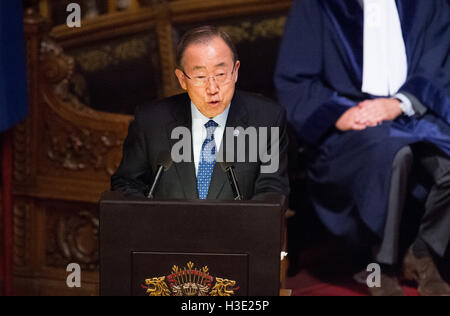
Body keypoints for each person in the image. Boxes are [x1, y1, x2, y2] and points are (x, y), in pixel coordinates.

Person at [275, 0, 449, 296]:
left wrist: (400, 103)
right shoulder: (319, 6)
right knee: (392, 153)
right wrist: (336, 113)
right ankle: (376, 265)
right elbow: (296, 77)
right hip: (353, 120)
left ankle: (421, 252)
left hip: (413, 111)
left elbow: (439, 61)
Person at [112, 26, 289, 201]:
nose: (212, 88)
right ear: (182, 79)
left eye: (220, 74)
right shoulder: (151, 122)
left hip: (237, 228)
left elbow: (272, 193)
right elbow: (126, 184)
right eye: (200, 77)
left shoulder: (267, 119)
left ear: (235, 71)